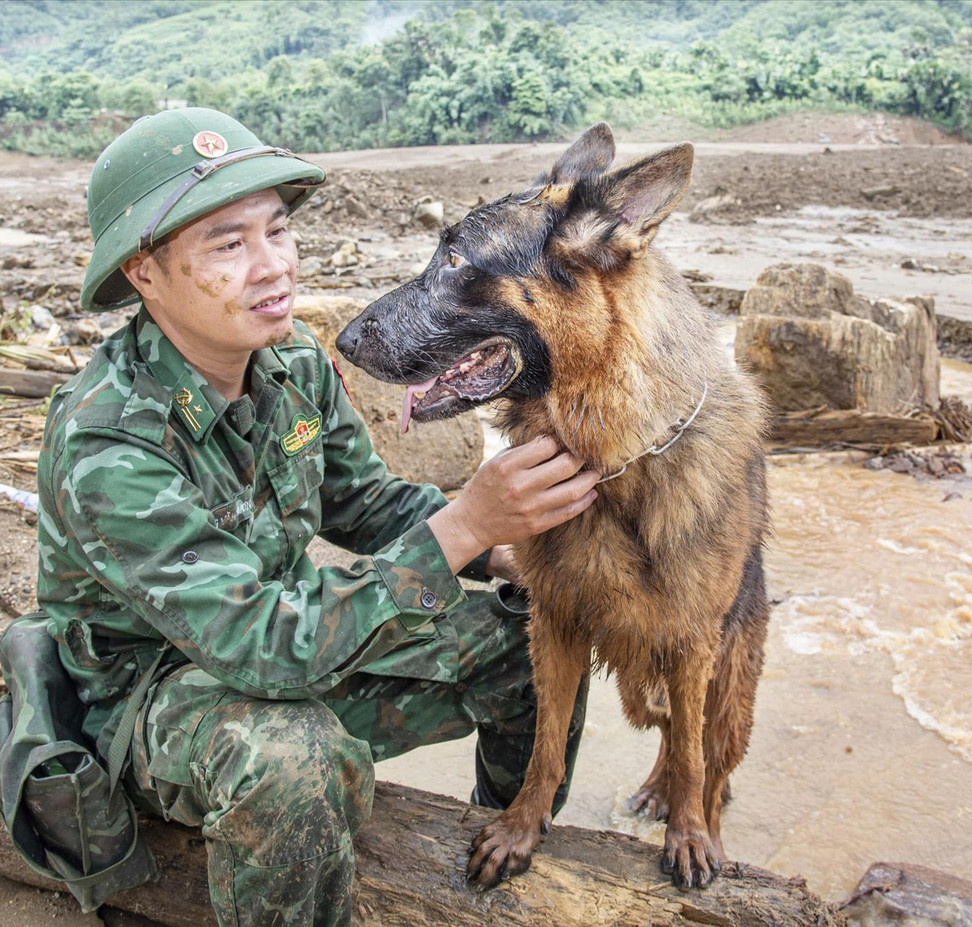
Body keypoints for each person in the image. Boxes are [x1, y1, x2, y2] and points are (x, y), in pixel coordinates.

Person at [36, 107, 600, 925]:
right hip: (150, 703)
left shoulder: (291, 359)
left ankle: (495, 849)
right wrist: (466, 525)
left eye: (276, 231)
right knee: (292, 758)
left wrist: (502, 553)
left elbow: (365, 503)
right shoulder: (109, 441)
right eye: (228, 245)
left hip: (296, 638)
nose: (273, 267)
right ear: (145, 274)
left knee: (532, 646)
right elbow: (257, 646)